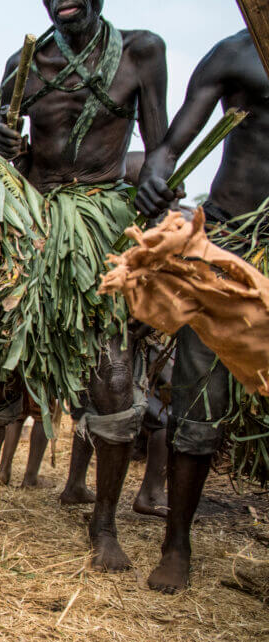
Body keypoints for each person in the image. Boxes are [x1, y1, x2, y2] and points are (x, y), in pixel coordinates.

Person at [0, 0, 168, 573]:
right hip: (33, 224)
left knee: (113, 380)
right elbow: (5, 164)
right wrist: (3, 154)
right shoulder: (23, 63)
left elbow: (160, 146)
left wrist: (153, 202)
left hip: (97, 227)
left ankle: (103, 523)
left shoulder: (141, 51)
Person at [134, 29, 269, 592]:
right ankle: (177, 543)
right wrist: (156, 172)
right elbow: (169, 146)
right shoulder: (240, 51)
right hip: (231, 248)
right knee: (196, 402)